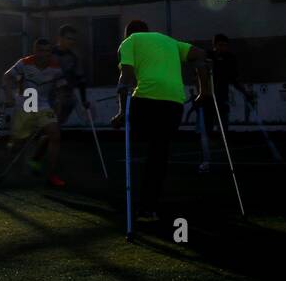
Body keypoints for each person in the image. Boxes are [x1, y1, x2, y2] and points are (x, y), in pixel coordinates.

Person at [110, 19, 210, 220]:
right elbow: (201, 56)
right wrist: (204, 91)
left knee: (142, 139)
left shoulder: (129, 41)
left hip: (146, 101)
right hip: (174, 102)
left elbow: (126, 76)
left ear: (128, 34)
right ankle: (149, 207)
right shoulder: (170, 41)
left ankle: (143, 202)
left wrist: (122, 112)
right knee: (158, 153)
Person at [3, 37, 68, 188]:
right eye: (40, 51)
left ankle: (51, 176)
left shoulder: (55, 67)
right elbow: (7, 77)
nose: (43, 54)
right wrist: (8, 96)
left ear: (50, 53)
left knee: (55, 135)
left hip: (43, 105)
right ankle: (13, 145)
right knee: (18, 144)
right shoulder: (24, 63)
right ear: (35, 51)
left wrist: (59, 105)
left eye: (47, 51)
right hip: (26, 104)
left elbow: (61, 88)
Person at [205, 33, 251, 139]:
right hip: (208, 96)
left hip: (222, 95)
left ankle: (223, 141)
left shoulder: (230, 58)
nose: (223, 47)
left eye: (225, 45)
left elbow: (234, 79)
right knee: (209, 122)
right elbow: (198, 77)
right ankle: (209, 140)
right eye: (220, 45)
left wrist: (245, 92)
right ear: (214, 45)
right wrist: (201, 93)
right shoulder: (207, 56)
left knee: (223, 120)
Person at [52, 24, 93, 126]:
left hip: (66, 96)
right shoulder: (48, 53)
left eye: (73, 39)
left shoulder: (74, 57)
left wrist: (84, 100)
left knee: (56, 125)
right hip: (48, 94)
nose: (71, 42)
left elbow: (81, 79)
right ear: (60, 38)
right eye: (68, 38)